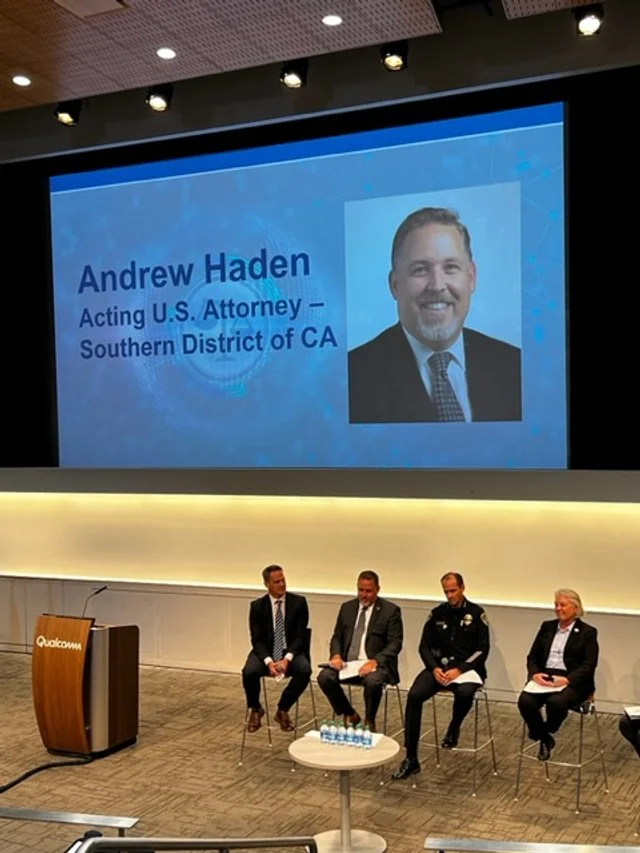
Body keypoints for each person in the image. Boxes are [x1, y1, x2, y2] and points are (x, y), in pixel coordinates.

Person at [348, 206, 521, 424]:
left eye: (450, 267)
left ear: (471, 278)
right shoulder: (352, 378)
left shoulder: (514, 365)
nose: (437, 286)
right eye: (420, 269)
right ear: (394, 284)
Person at [393, 572, 489, 780]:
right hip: (439, 668)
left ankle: (454, 727)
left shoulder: (476, 614)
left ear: (463, 588)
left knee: (465, 693)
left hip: (465, 671)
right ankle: (411, 758)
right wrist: (434, 668)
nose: (450, 595)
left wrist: (460, 669)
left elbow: (482, 649)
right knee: (414, 695)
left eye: (453, 591)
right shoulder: (437, 613)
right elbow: (424, 646)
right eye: (446, 592)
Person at [517, 589, 598, 761]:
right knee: (525, 701)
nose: (558, 608)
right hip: (545, 676)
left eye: (563, 605)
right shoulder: (547, 627)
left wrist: (567, 679)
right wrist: (534, 674)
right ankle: (546, 739)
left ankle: (543, 732)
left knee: (556, 702)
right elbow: (533, 656)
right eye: (556, 605)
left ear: (575, 608)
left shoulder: (587, 632)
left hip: (572, 679)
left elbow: (589, 665)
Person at [317, 570, 403, 730]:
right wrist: (336, 655)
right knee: (324, 677)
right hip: (348, 663)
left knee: (373, 682)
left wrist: (375, 661)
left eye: (368, 591)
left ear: (378, 589)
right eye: (360, 590)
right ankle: (349, 713)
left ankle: (370, 720)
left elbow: (395, 644)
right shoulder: (347, 608)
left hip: (375, 665)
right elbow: (337, 637)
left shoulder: (390, 611)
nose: (364, 595)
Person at [242, 564, 311, 733]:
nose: (281, 585)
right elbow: (256, 639)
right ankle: (255, 708)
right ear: (267, 584)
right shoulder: (257, 606)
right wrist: (268, 662)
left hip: (291, 651)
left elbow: (300, 636)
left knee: (304, 670)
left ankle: (282, 709)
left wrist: (287, 658)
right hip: (265, 652)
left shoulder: (299, 603)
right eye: (276, 582)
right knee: (249, 672)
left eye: (283, 580)